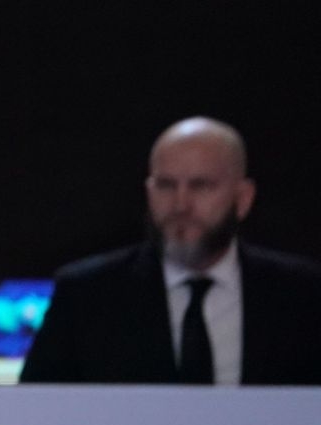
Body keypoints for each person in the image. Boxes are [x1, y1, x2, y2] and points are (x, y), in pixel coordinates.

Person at [20, 117, 321, 387]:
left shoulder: (303, 295)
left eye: (201, 186)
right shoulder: (86, 295)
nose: (180, 204)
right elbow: (37, 411)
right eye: (165, 185)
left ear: (243, 198)